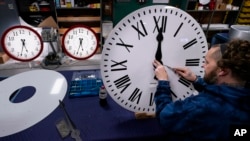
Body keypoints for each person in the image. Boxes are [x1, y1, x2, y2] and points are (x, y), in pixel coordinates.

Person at [153, 39, 250, 141]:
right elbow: (224, 95)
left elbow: (165, 117)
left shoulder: (200, 106)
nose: (203, 66)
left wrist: (163, 82)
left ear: (222, 71)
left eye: (207, 62)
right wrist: (196, 79)